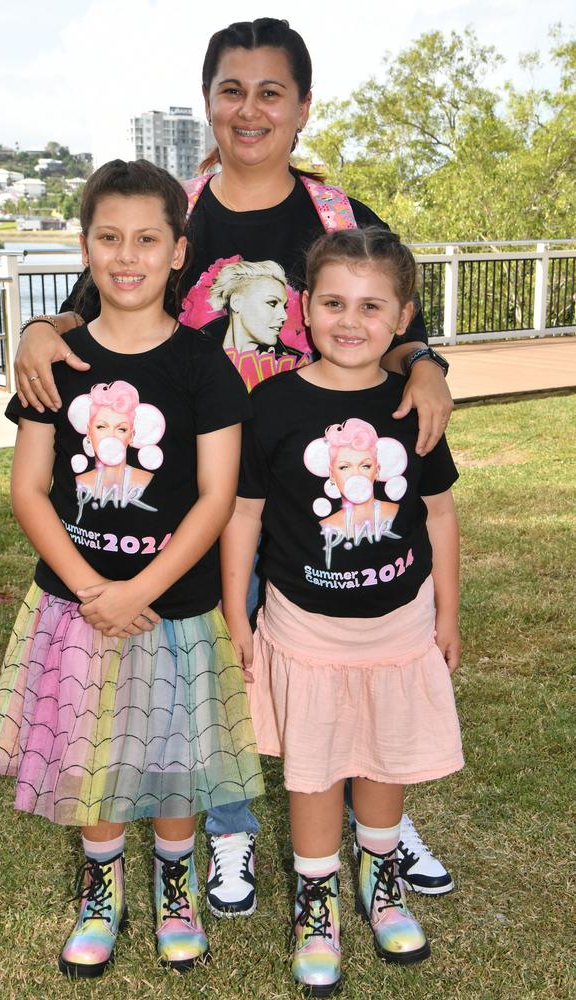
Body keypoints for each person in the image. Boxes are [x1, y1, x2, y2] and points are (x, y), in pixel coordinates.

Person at [12, 17, 455, 920]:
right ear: (208, 99)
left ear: (300, 106)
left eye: (270, 92)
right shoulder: (175, 210)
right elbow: (81, 314)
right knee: (217, 662)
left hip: (307, 483)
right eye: (231, 90)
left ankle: (379, 810)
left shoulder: (337, 217)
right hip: (194, 488)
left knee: (338, 646)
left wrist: (428, 363)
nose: (249, 109)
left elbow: (396, 314)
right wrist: (31, 329)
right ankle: (227, 825)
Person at [0, 158, 264, 979]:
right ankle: (101, 892)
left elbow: (215, 498)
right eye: (109, 237)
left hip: (174, 607)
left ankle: (176, 887)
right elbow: (30, 490)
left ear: (179, 251)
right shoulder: (54, 366)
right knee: (93, 758)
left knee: (173, 757)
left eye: (147, 238)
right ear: (85, 246)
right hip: (74, 606)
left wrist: (140, 588)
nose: (127, 255)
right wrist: (94, 588)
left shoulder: (205, 366)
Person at [220, 227, 463, 995]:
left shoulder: (411, 402)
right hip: (304, 628)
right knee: (316, 768)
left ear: (403, 318)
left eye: (370, 305)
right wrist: (237, 613)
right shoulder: (274, 404)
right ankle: (317, 899)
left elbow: (442, 515)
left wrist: (448, 616)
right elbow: (245, 516)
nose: (349, 320)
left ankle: (380, 876)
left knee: (386, 756)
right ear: (303, 308)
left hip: (400, 626)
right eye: (332, 302)